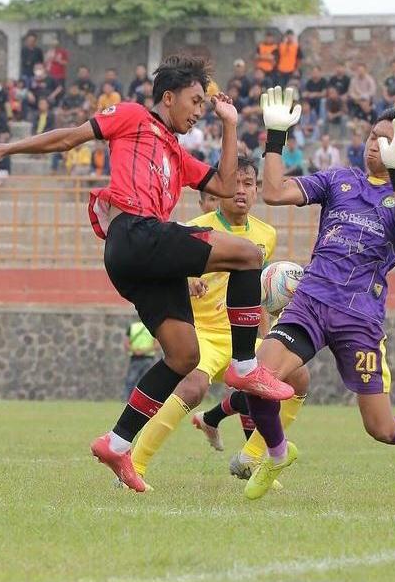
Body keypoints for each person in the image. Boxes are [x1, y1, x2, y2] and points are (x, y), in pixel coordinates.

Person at [0, 55, 293, 493]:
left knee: (184, 356)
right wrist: (5, 150)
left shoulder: (179, 154)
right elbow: (69, 140)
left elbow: (228, 187)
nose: (198, 111)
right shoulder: (133, 116)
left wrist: (229, 124)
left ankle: (116, 444)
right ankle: (246, 364)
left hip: (138, 260)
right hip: (135, 233)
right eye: (194, 101)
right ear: (167, 98)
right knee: (249, 253)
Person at [243, 89, 395, 499]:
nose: (375, 143)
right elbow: (273, 193)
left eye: (387, 140)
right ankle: (278, 453)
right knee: (256, 379)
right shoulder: (339, 179)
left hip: (359, 318)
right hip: (311, 303)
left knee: (382, 429)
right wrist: (275, 136)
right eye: (374, 135)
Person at [130, 156, 312, 486]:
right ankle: (134, 464)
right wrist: (185, 282)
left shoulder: (266, 234)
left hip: (240, 338)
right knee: (194, 387)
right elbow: (156, 274)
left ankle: (256, 459)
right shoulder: (193, 228)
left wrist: (267, 330)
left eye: (248, 184)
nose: (241, 191)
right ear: (222, 186)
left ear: (256, 191)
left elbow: (257, 291)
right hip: (200, 333)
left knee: (298, 375)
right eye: (235, 183)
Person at [122, 320, 158, 399]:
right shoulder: (153, 327)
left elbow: (126, 344)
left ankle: (128, 401)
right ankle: (145, 400)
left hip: (135, 358)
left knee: (131, 381)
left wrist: (136, 351)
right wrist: (144, 351)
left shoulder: (132, 327)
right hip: (148, 359)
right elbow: (156, 346)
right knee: (147, 382)